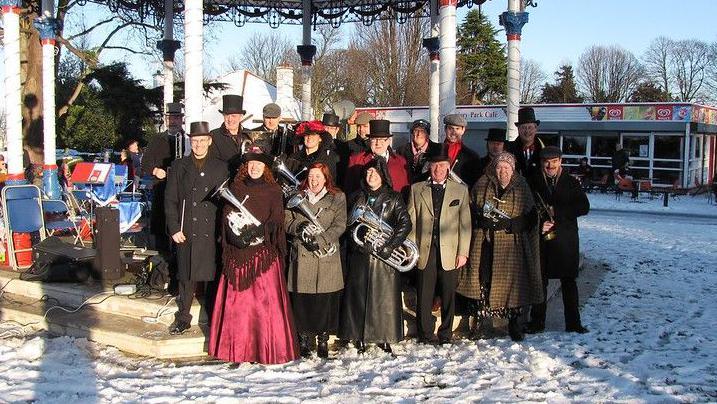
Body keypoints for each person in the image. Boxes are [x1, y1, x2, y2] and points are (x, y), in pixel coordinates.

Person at [208, 146, 299, 364]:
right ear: (245, 167)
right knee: (238, 307)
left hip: (264, 253)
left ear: (265, 167)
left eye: (259, 164)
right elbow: (227, 215)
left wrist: (260, 231)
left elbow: (277, 219)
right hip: (239, 252)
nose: (255, 168)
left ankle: (266, 349)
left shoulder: (274, 190)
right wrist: (236, 236)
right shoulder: (235, 188)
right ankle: (236, 352)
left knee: (264, 306)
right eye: (251, 164)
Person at [456, 152, 543, 342]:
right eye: (499, 167)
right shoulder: (482, 184)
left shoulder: (521, 186)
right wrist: (481, 219)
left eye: (507, 168)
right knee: (483, 280)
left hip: (512, 245)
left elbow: (530, 216)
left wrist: (511, 224)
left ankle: (514, 323)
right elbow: (470, 208)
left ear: (512, 170)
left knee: (513, 285)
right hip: (485, 243)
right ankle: (479, 320)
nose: (503, 171)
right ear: (494, 168)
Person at [340, 159, 412, 354]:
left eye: (375, 173)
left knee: (384, 300)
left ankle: (385, 336)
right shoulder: (356, 197)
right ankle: (358, 336)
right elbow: (348, 225)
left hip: (384, 259)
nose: (371, 176)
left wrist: (391, 246)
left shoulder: (394, 198)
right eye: (368, 173)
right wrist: (357, 243)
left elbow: (405, 224)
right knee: (359, 298)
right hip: (361, 256)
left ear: (383, 176)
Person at [163, 121, 229, 334]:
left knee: (211, 277)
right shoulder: (179, 166)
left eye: (202, 140)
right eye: (195, 141)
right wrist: (174, 228)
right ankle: (183, 317)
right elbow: (170, 200)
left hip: (211, 231)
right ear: (190, 142)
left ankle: (212, 315)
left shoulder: (221, 167)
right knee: (186, 276)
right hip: (186, 229)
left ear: (209, 141)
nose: (199, 145)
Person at [407, 151, 471, 345]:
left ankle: (446, 333)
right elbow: (411, 221)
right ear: (429, 168)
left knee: (448, 293)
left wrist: (463, 252)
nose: (438, 169)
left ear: (448, 168)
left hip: (450, 250)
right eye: (434, 166)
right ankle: (425, 333)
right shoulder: (417, 189)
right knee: (424, 293)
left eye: (442, 165)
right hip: (424, 249)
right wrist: (412, 250)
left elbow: (465, 224)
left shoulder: (460, 190)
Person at [526, 146, 590, 334]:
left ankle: (573, 323)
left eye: (554, 161)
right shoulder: (534, 181)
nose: (550, 165)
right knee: (541, 282)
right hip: (543, 239)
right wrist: (539, 223)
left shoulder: (571, 182)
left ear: (560, 161)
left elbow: (584, 207)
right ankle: (537, 323)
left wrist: (558, 213)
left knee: (569, 283)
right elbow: (527, 209)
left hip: (566, 240)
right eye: (547, 161)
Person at [285, 162, 347, 358]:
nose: (314, 180)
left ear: (326, 178)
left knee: (324, 301)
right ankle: (303, 339)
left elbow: (340, 225)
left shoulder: (337, 197)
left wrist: (320, 240)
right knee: (302, 302)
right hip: (302, 253)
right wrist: (300, 227)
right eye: (311, 176)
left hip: (326, 254)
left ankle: (322, 340)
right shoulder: (297, 196)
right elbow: (286, 219)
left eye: (318, 176)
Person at [143, 102, 186, 253]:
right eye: (170, 118)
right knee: (160, 228)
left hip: (182, 192)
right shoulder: (156, 139)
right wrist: (155, 170)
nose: (173, 121)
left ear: (182, 119)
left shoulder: (187, 140)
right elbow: (144, 165)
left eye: (176, 118)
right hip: (161, 188)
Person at [344, 119, 410, 196]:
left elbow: (406, 190)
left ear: (388, 141)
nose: (378, 143)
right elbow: (349, 191)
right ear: (369, 141)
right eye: (374, 139)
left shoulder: (401, 162)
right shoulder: (356, 160)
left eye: (382, 139)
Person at [209, 94, 250, 175]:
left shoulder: (249, 134)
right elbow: (213, 162)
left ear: (241, 117)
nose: (230, 119)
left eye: (233, 116)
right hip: (224, 180)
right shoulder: (214, 135)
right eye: (227, 115)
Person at [397, 119, 441, 184]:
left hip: (427, 189)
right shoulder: (401, 150)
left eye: (422, 131)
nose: (419, 134)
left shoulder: (436, 149)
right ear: (412, 133)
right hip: (406, 188)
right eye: (416, 131)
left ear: (427, 134)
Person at [442, 114, 481, 187]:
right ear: (445, 129)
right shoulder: (435, 151)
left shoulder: (472, 157)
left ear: (463, 130)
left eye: (457, 129)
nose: (454, 132)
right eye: (450, 128)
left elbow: (474, 184)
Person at [508, 107, 545, 178]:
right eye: (524, 127)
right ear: (518, 129)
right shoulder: (509, 149)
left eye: (530, 127)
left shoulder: (545, 149)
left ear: (535, 128)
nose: (527, 131)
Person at [322, 112, 349, 185]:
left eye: (331, 128)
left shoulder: (342, 147)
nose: (328, 131)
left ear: (336, 130)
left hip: (337, 185)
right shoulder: (315, 144)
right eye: (326, 127)